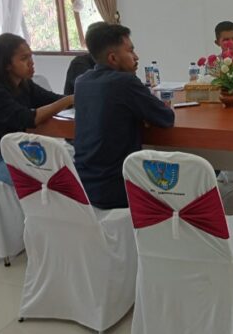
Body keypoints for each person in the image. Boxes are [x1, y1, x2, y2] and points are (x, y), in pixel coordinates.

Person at [74, 22, 175, 210]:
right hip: (118, 188)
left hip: (84, 186)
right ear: (113, 58)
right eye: (130, 51)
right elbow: (166, 118)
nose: (136, 56)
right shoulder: (125, 82)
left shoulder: (81, 81)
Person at [0, 33, 74, 185]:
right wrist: (69, 100)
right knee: (50, 180)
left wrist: (78, 98)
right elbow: (29, 119)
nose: (31, 63)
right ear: (6, 64)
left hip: (15, 150)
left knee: (66, 167)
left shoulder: (24, 84)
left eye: (31, 56)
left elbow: (52, 99)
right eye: (24, 58)